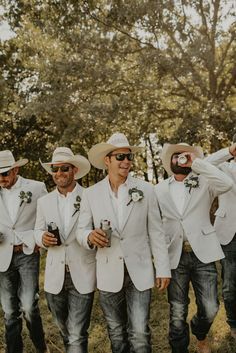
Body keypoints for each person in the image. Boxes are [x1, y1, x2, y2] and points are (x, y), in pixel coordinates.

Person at [77, 132, 171, 353]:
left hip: (140, 270)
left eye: (129, 156)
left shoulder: (146, 190)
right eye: (120, 157)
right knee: (117, 332)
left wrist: (163, 268)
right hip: (108, 272)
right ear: (107, 161)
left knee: (139, 333)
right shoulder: (91, 194)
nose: (126, 161)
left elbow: (156, 232)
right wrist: (89, 236)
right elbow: (80, 231)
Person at [154, 143, 233, 353]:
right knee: (177, 311)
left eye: (184, 156)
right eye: (176, 156)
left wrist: (196, 163)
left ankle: (199, 331)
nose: (180, 159)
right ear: (169, 162)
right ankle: (179, 349)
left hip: (203, 254)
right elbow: (155, 226)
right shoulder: (159, 189)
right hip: (175, 256)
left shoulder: (204, 182)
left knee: (210, 307)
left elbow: (226, 183)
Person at [34, 147, 96, 353]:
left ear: (74, 170)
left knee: (77, 333)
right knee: (66, 331)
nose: (59, 173)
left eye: (64, 168)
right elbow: (37, 230)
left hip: (83, 272)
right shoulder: (44, 202)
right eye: (55, 169)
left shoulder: (89, 196)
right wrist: (42, 238)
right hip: (54, 276)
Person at [0, 150, 48, 353]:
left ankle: (41, 347)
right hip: (2, 255)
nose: (0, 179)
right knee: (10, 312)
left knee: (29, 307)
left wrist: (40, 240)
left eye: (4, 174)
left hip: (27, 253)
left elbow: (48, 217)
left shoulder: (36, 188)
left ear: (16, 169)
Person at [205, 140, 236, 340]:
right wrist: (228, 151)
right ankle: (234, 323)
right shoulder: (224, 167)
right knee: (230, 284)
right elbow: (203, 164)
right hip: (228, 232)